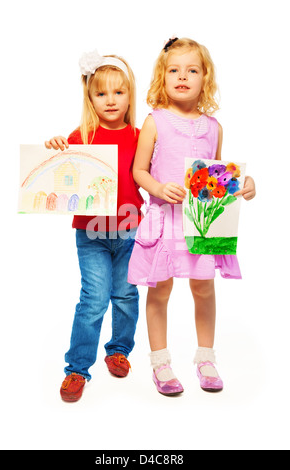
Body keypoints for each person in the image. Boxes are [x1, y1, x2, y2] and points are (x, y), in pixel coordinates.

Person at [128, 37, 256, 396]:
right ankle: (161, 363)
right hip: (166, 219)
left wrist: (243, 186)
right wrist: (157, 187)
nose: (182, 76)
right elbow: (139, 170)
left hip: (200, 223)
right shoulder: (155, 122)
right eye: (174, 70)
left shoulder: (213, 127)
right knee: (161, 290)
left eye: (192, 70)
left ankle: (205, 358)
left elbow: (216, 175)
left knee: (203, 287)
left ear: (205, 78)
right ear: (162, 77)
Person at [45, 50, 143, 402]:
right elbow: (59, 175)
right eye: (101, 93)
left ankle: (119, 350)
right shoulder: (81, 134)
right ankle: (77, 369)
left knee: (127, 295)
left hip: (131, 230)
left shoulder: (139, 134)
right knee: (93, 301)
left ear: (130, 95)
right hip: (91, 234)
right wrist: (57, 147)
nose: (111, 100)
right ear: (90, 98)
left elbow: (157, 173)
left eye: (118, 92)